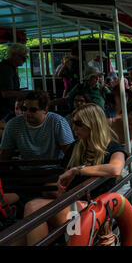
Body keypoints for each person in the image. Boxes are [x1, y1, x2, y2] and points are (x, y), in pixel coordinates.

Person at [22, 103, 126, 245]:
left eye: (78, 123)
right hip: (72, 204)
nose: (73, 128)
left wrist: (77, 170)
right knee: (17, 240)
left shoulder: (113, 148)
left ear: (92, 124)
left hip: (94, 208)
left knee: (33, 207)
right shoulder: (77, 147)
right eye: (73, 122)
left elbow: (115, 169)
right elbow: (64, 182)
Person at [0, 90, 74, 161]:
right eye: (24, 109)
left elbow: (70, 154)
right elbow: (4, 155)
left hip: (55, 169)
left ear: (45, 110)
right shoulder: (13, 124)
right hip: (25, 170)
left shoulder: (58, 122)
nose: (27, 113)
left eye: (33, 110)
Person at [0, 43, 27, 119]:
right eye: (23, 58)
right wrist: (28, 93)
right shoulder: (5, 69)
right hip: (4, 111)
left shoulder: (10, 68)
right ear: (14, 55)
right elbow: (5, 93)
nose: (25, 60)